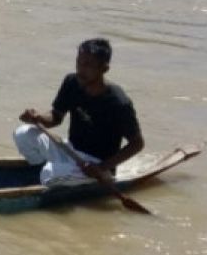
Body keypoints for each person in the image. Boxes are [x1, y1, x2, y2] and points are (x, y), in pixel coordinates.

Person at [15, 38, 145, 186]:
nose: (81, 69)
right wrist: (38, 117)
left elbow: (137, 144)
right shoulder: (72, 82)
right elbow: (56, 117)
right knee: (22, 133)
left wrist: (102, 168)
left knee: (50, 174)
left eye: (88, 65)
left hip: (94, 165)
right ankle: (49, 173)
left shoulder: (118, 102)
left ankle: (56, 177)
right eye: (79, 62)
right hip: (70, 150)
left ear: (104, 68)